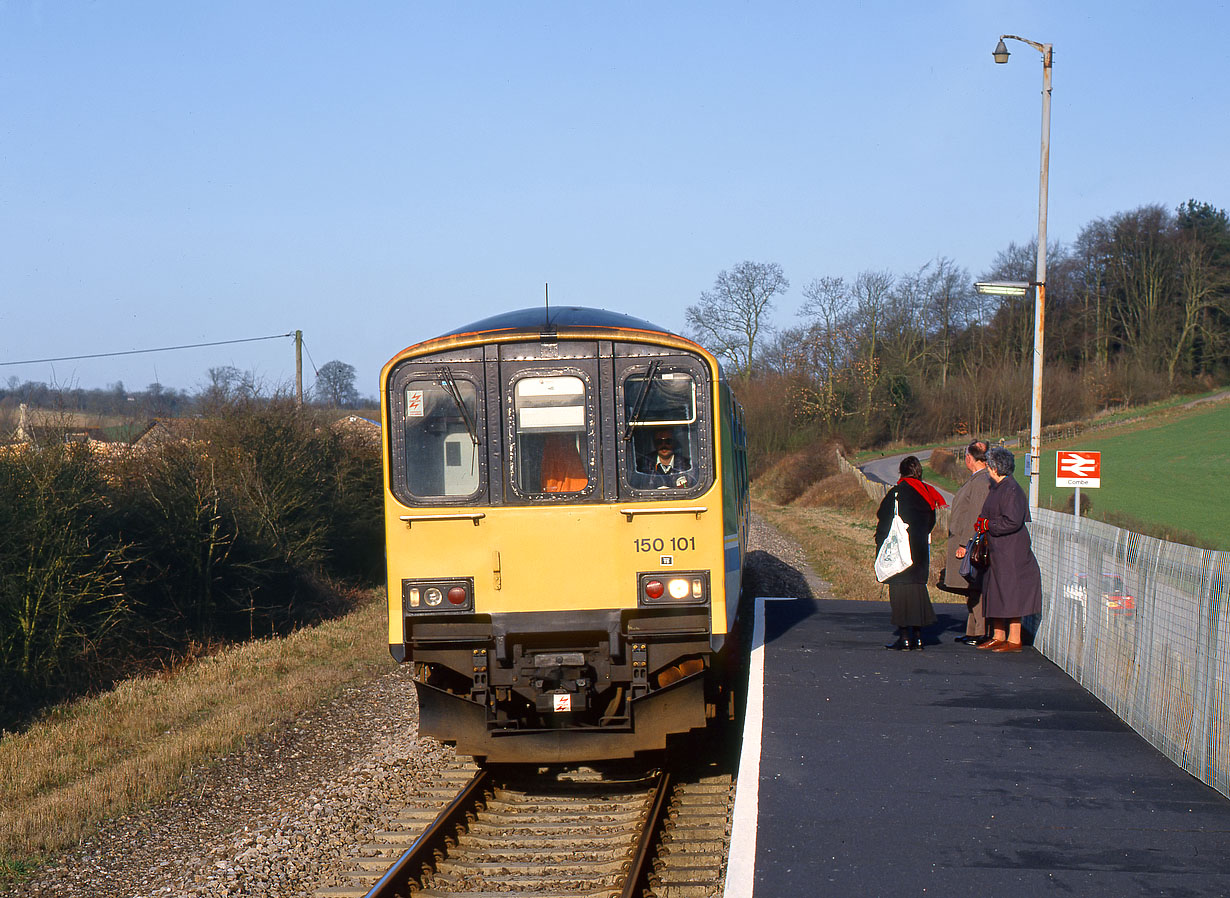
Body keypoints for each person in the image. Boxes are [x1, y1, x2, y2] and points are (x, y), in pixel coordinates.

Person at [875, 456, 948, 651]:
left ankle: (904, 637)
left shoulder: (897, 493)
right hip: (920, 549)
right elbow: (932, 520)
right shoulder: (927, 493)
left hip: (901, 548)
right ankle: (918, 637)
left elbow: (883, 518)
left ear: (902, 471)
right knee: (917, 590)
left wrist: (880, 543)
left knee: (899, 591)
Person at [974, 446, 1043, 653]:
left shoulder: (1011, 490)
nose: (987, 469)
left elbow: (1012, 521)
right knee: (996, 591)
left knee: (1011, 594)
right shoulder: (999, 487)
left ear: (996, 467)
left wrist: (988, 525)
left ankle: (1014, 639)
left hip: (1011, 552)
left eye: (989, 465)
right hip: (998, 550)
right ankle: (998, 635)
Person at [941, 440, 993, 645]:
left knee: (975, 586)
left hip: (971, 544)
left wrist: (964, 543)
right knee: (971, 587)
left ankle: (980, 632)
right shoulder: (979, 479)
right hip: (968, 542)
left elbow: (974, 515)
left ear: (969, 458)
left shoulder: (980, 481)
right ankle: (972, 631)